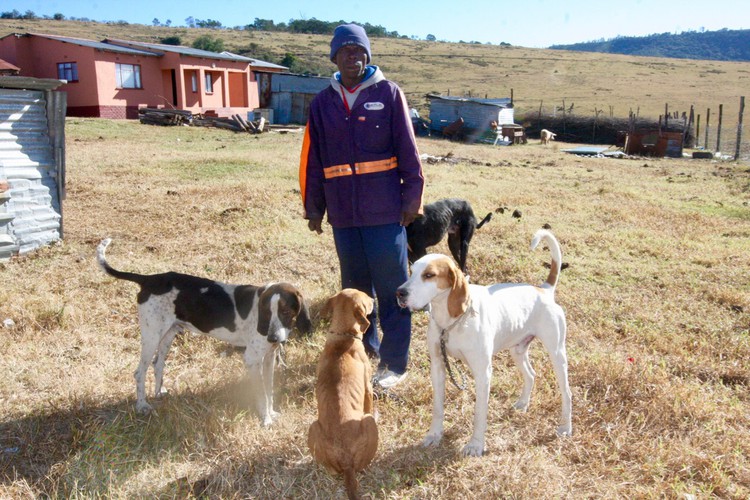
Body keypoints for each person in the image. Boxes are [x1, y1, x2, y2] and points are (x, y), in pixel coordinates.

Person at [299, 23, 424, 389]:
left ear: (367, 55)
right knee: (354, 290)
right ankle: (363, 354)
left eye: (358, 51)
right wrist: (314, 208)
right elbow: (314, 160)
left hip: (385, 211)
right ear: (334, 57)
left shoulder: (388, 93)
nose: (352, 56)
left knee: (393, 290)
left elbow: (409, 153)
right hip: (343, 214)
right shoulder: (322, 103)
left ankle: (395, 363)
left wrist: (411, 202)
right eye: (345, 51)